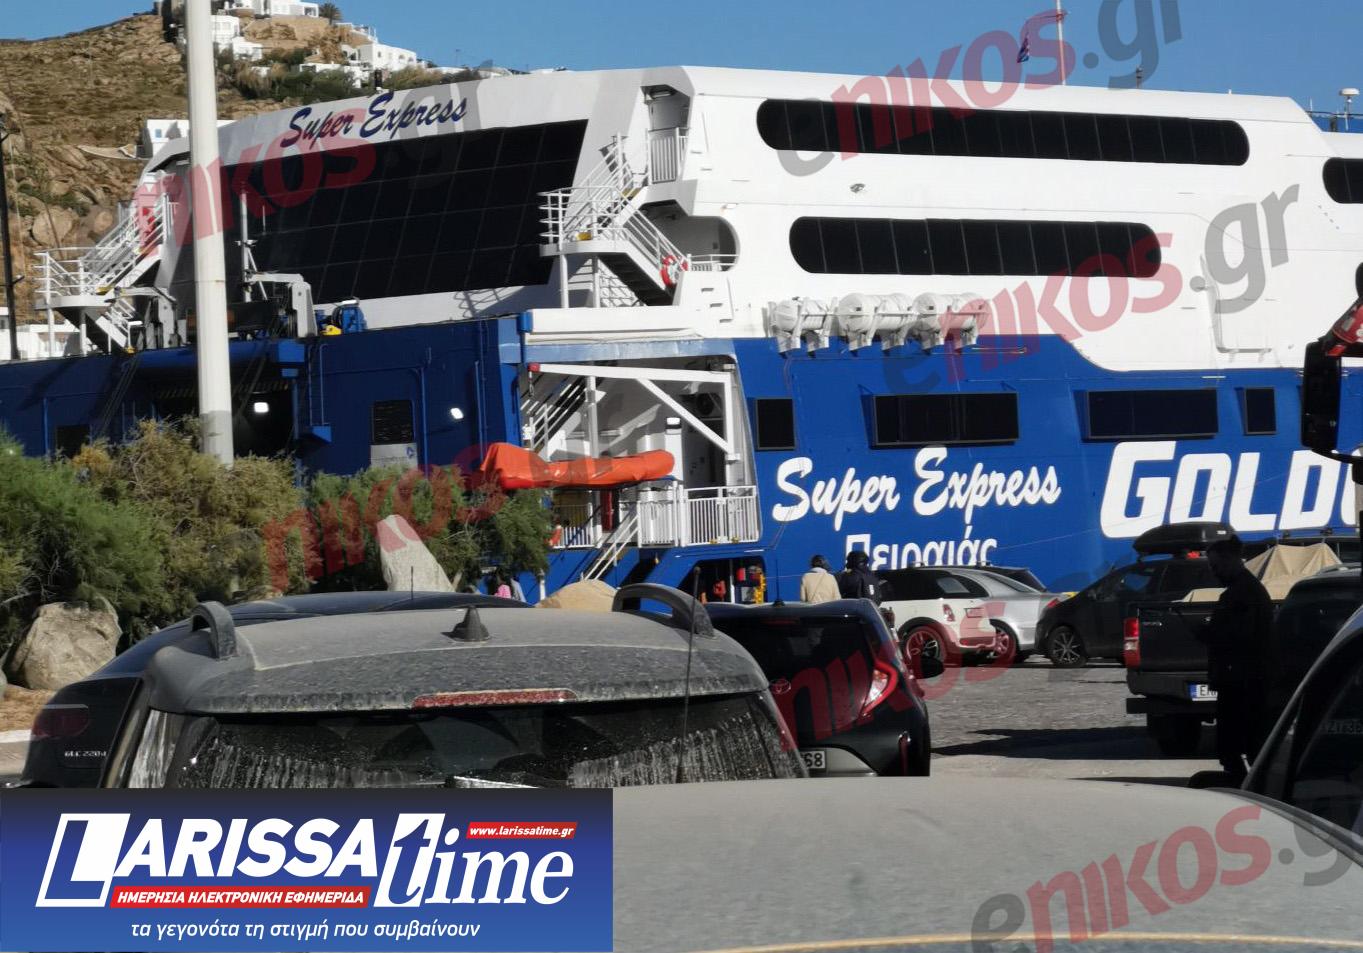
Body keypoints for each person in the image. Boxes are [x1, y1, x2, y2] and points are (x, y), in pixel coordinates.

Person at [1198, 535, 1274, 782]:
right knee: (1237, 743)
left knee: (1240, 742)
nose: (1214, 572)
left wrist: (1207, 633)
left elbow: (1238, 636)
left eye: (1216, 566)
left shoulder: (1243, 594)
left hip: (1242, 681)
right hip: (1239, 678)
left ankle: (1248, 784)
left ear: (1231, 560)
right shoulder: (1242, 591)